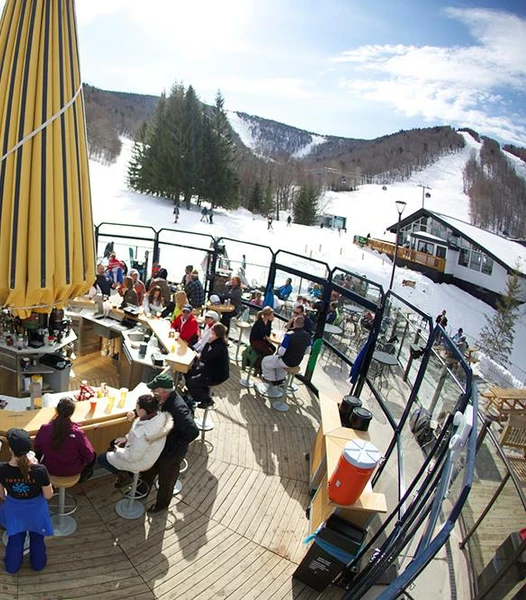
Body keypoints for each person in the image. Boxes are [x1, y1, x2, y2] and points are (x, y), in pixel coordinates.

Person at [141, 374, 199, 514]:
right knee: (149, 469)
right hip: (161, 448)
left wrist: (174, 442)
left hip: (172, 453)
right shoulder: (165, 399)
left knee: (166, 481)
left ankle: (161, 505)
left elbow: (193, 432)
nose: (152, 392)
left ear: (163, 392)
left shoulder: (178, 409)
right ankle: (142, 491)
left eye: (154, 389)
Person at [0, 428, 53, 574]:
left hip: (14, 510)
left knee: (15, 540)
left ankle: (12, 567)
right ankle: (38, 565)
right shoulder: (39, 470)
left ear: (10, 448)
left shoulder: (1, 469)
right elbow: (48, 495)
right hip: (36, 510)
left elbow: (2, 495)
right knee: (37, 538)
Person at [97, 394, 173, 488]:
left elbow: (132, 457)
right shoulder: (159, 417)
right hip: (148, 454)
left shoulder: (144, 433)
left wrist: (117, 450)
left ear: (142, 410)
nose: (135, 409)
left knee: (102, 458)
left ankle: (126, 476)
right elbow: (137, 434)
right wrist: (126, 438)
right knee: (113, 443)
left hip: (139, 461)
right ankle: (128, 473)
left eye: (136, 407)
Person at [34, 397, 95, 483]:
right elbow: (89, 456)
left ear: (56, 410)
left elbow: (37, 447)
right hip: (72, 470)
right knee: (93, 455)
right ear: (72, 413)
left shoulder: (45, 429)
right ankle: (83, 478)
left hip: (49, 468)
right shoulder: (78, 433)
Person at [185, 323, 230, 409]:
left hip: (216, 375)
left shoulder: (218, 346)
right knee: (190, 371)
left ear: (216, 334)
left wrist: (207, 343)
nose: (210, 334)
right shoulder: (218, 342)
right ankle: (202, 391)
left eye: (212, 333)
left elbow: (203, 357)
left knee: (191, 382)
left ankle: (206, 400)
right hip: (211, 368)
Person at [262, 316, 311, 383]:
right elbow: (308, 351)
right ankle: (280, 380)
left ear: (294, 323)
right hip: (297, 361)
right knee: (279, 366)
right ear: (303, 325)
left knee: (265, 361)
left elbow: (281, 352)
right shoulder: (307, 335)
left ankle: (270, 379)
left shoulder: (289, 335)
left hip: (286, 360)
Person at [249, 306, 275, 374]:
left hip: (261, 339)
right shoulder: (259, 322)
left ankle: (260, 364)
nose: (273, 316)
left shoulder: (268, 322)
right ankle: (258, 367)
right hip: (255, 340)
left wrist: (270, 322)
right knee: (268, 351)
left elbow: (268, 334)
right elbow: (266, 334)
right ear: (267, 315)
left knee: (273, 348)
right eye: (272, 314)